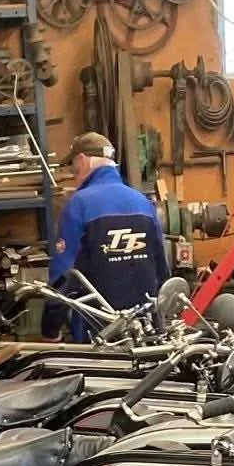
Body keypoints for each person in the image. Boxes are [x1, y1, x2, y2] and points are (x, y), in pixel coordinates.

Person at [45, 133, 169, 339]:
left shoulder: (79, 205)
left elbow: (63, 276)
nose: (74, 175)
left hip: (98, 338)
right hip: (145, 335)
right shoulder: (143, 203)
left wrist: (50, 328)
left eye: (73, 167)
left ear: (82, 160)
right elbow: (162, 273)